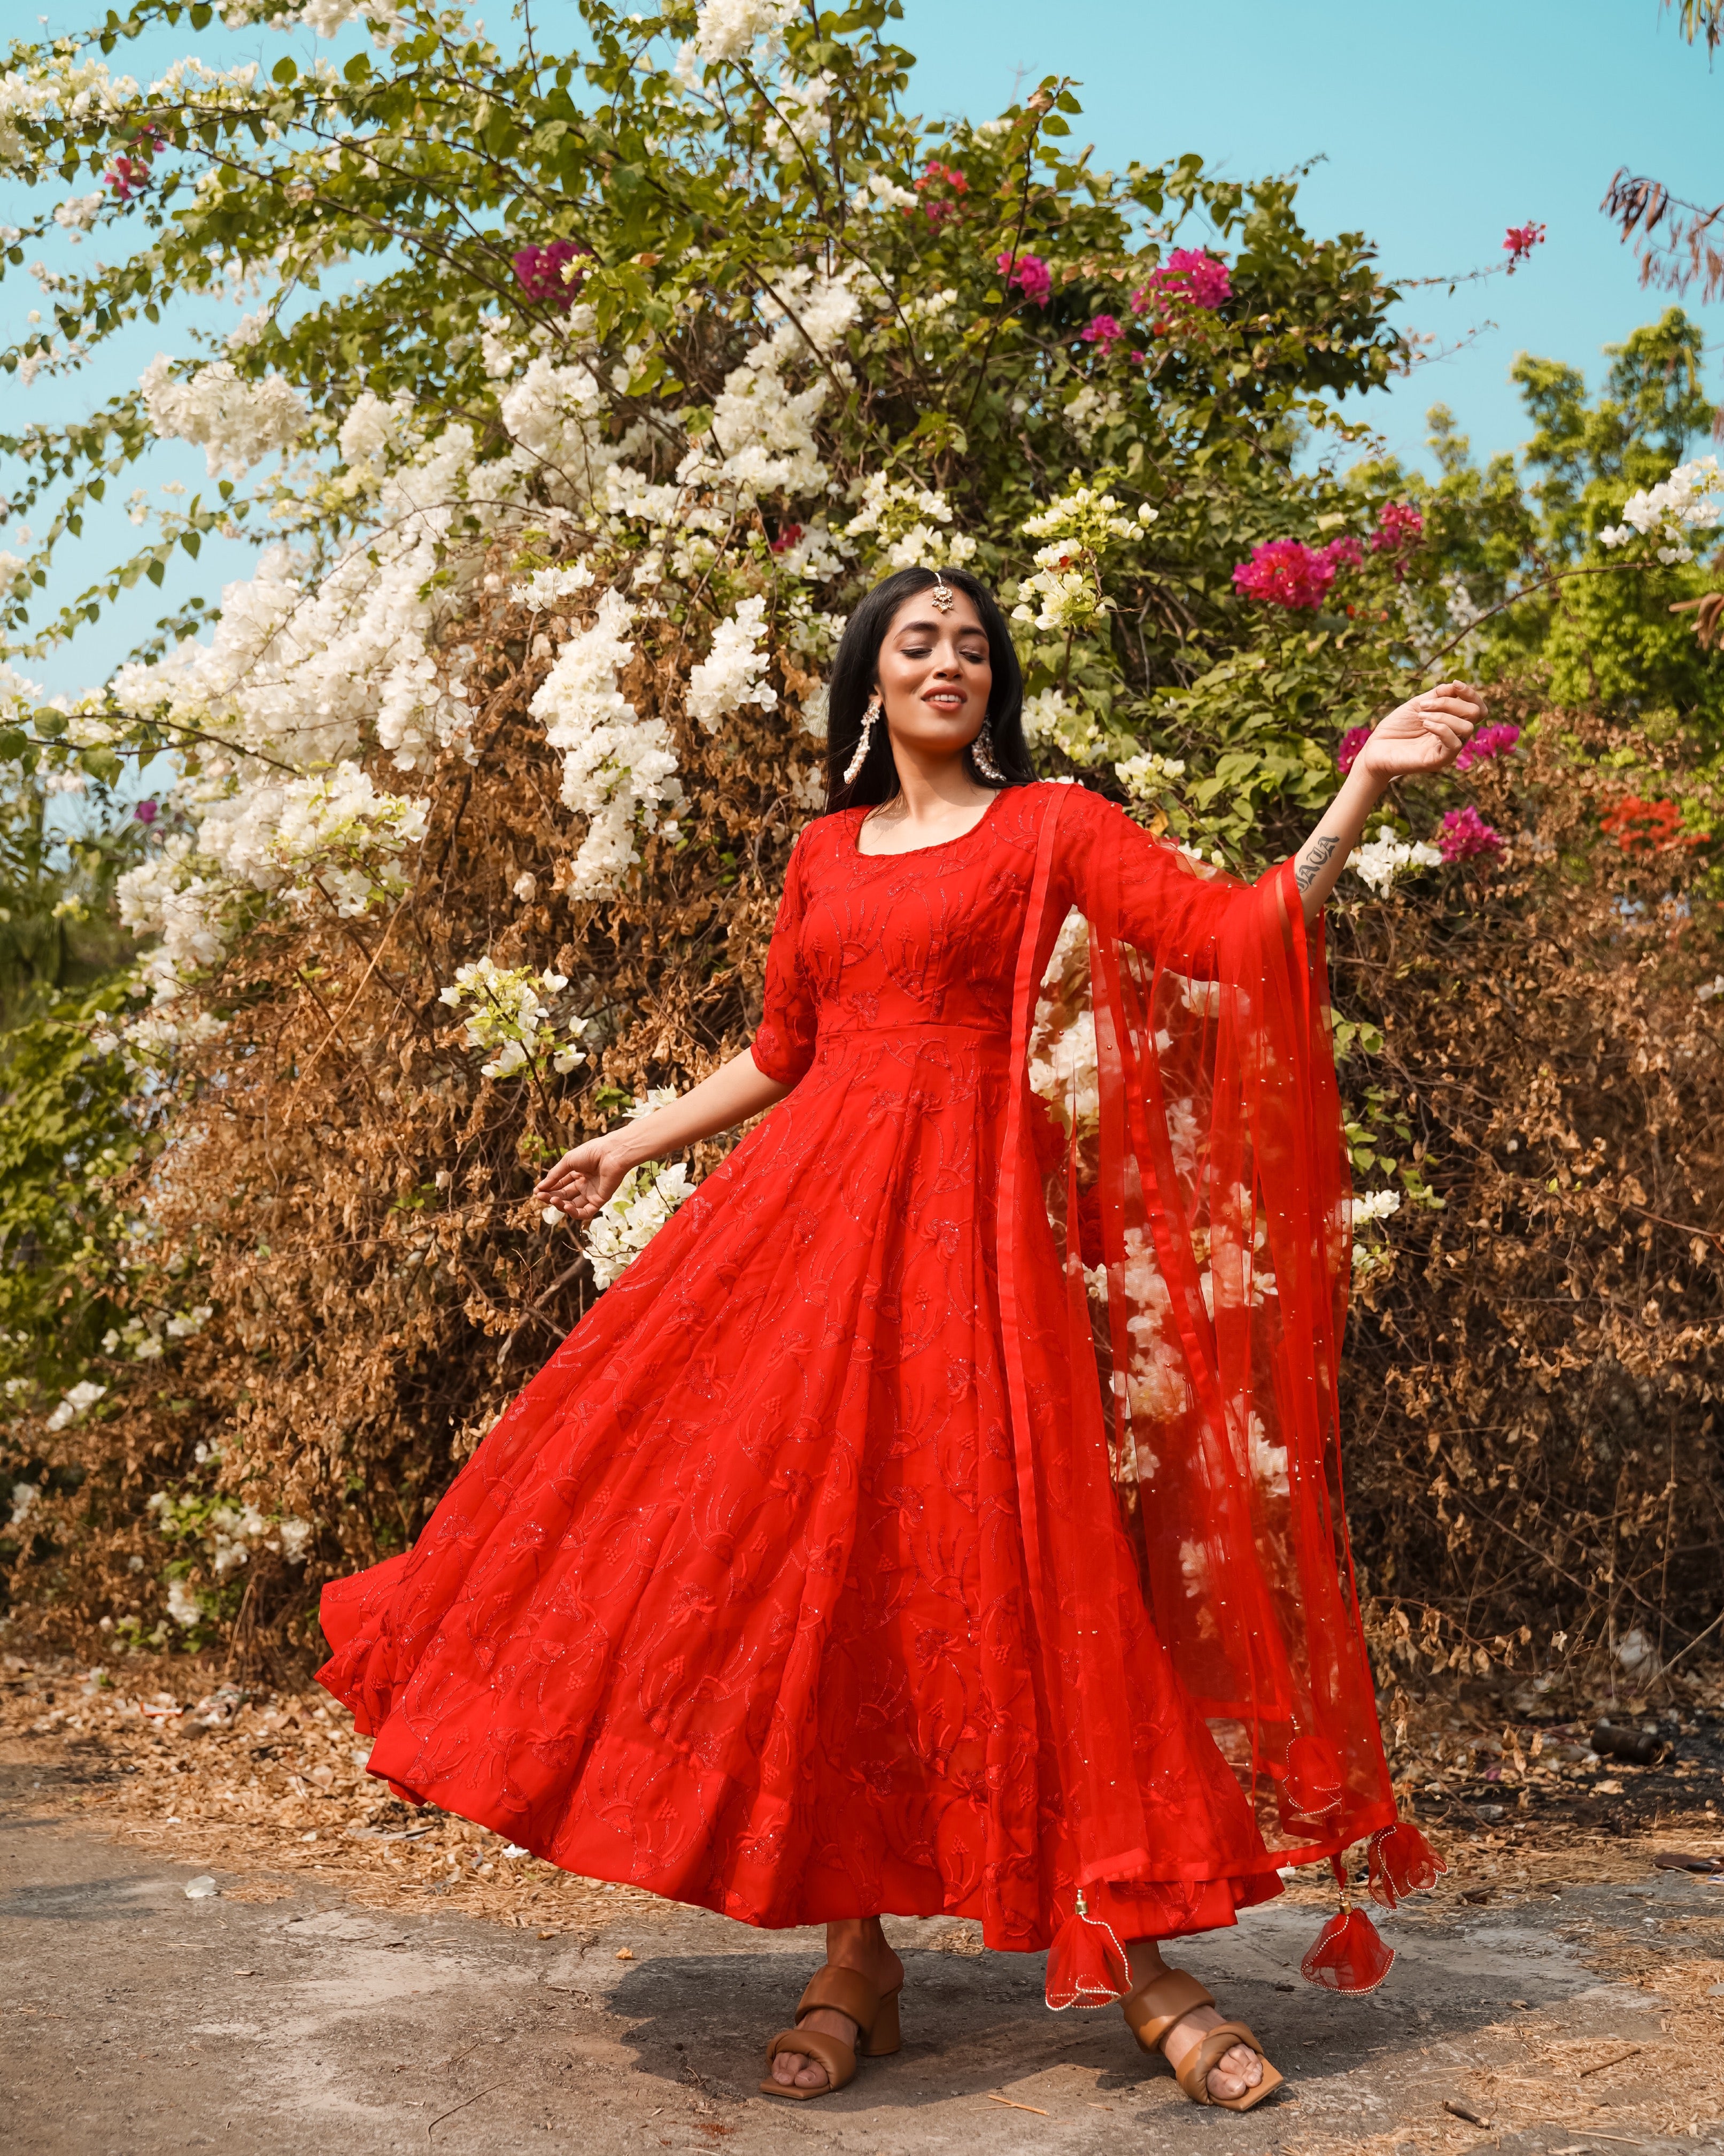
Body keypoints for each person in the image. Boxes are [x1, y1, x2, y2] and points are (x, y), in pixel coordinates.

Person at [318, 563, 1478, 2113]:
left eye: (974, 648)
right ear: (869, 679)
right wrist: (633, 1143)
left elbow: (1222, 937)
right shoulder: (822, 856)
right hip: (797, 1240)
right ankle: (854, 1956)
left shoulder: (1051, 823)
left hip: (973, 1251)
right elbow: (784, 1050)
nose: (950, 663)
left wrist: (1353, 795)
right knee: (817, 1569)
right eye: (918, 643)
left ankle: (1137, 1951)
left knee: (1020, 1564)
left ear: (993, 687)